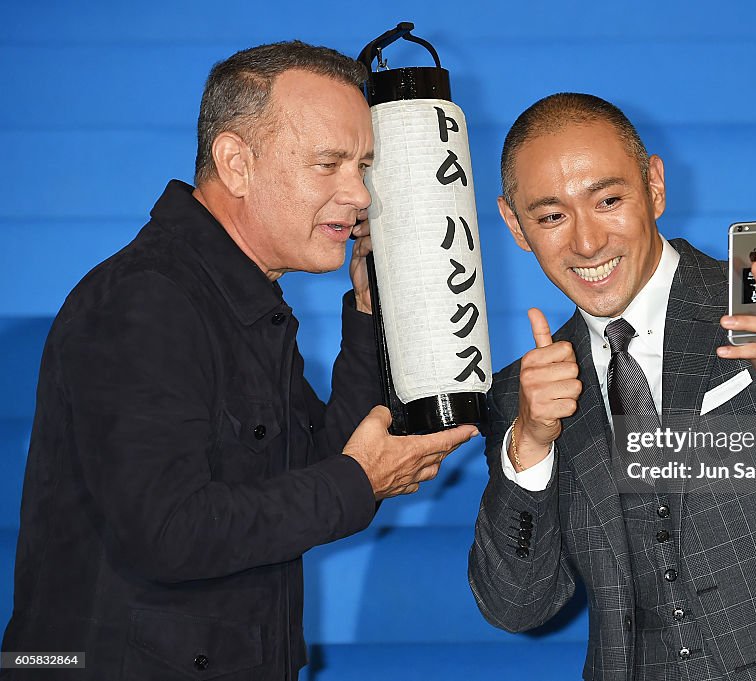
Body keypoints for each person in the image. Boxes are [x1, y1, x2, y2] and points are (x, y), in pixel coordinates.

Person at [0, 41, 477, 680]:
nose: (360, 195)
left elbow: (319, 467)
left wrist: (368, 312)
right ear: (236, 163)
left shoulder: (244, 300)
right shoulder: (148, 300)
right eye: (329, 164)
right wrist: (357, 482)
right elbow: (169, 531)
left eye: (363, 166)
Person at [469, 93, 756, 681]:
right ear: (515, 225)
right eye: (551, 216)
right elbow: (517, 606)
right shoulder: (520, 393)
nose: (587, 243)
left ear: (656, 186)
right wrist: (531, 448)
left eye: (609, 200)